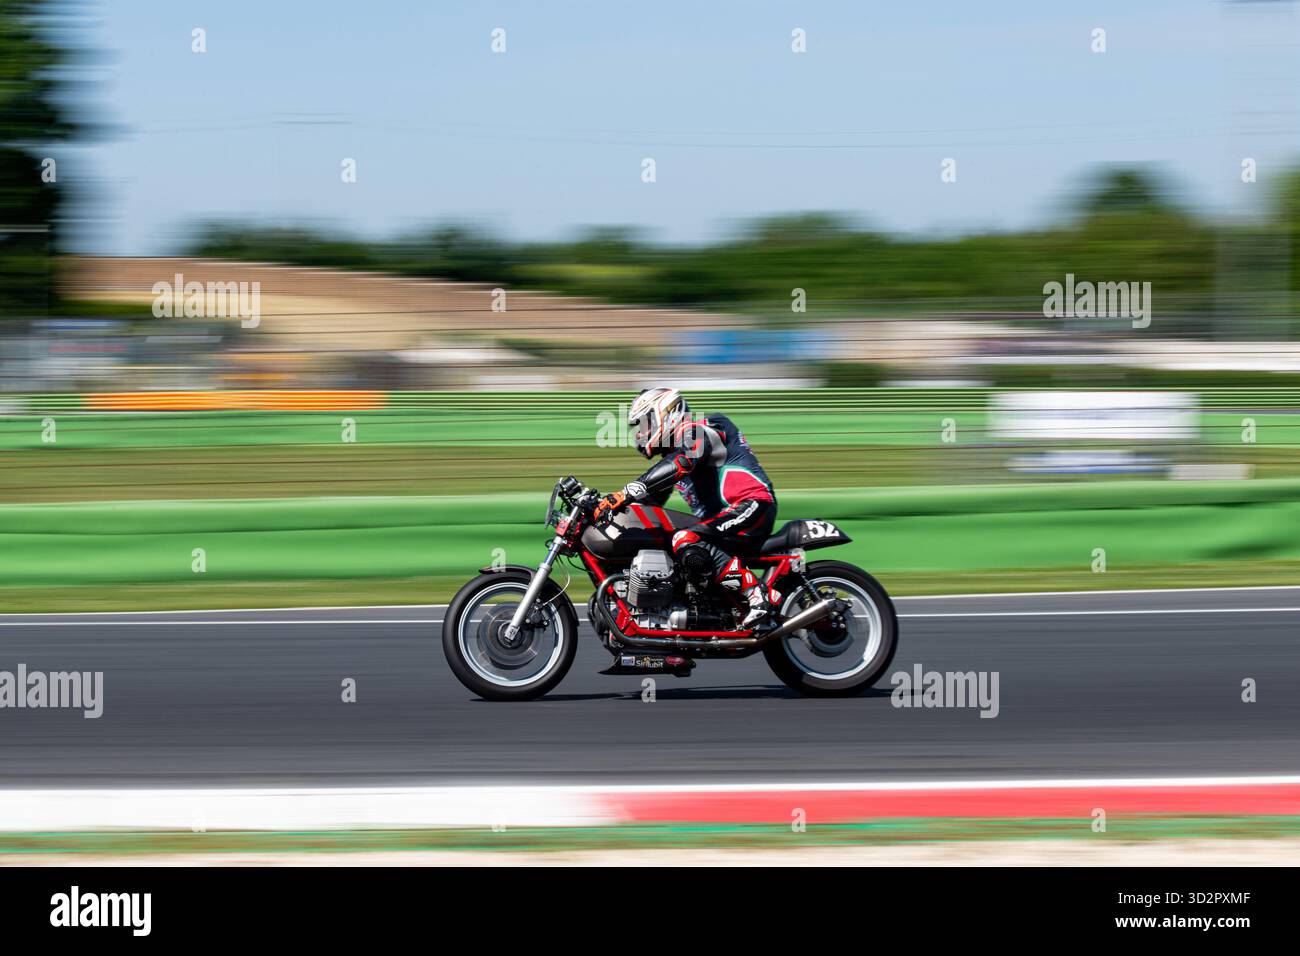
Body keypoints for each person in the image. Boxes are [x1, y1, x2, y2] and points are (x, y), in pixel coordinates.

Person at [595, 387, 779, 628]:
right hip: (720, 522)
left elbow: (680, 463)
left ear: (667, 412)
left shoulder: (699, 429)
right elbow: (648, 502)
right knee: (665, 540)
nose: (641, 433)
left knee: (686, 538)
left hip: (751, 505)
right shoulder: (673, 456)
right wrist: (603, 507)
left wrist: (626, 492)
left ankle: (758, 595)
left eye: (645, 423)